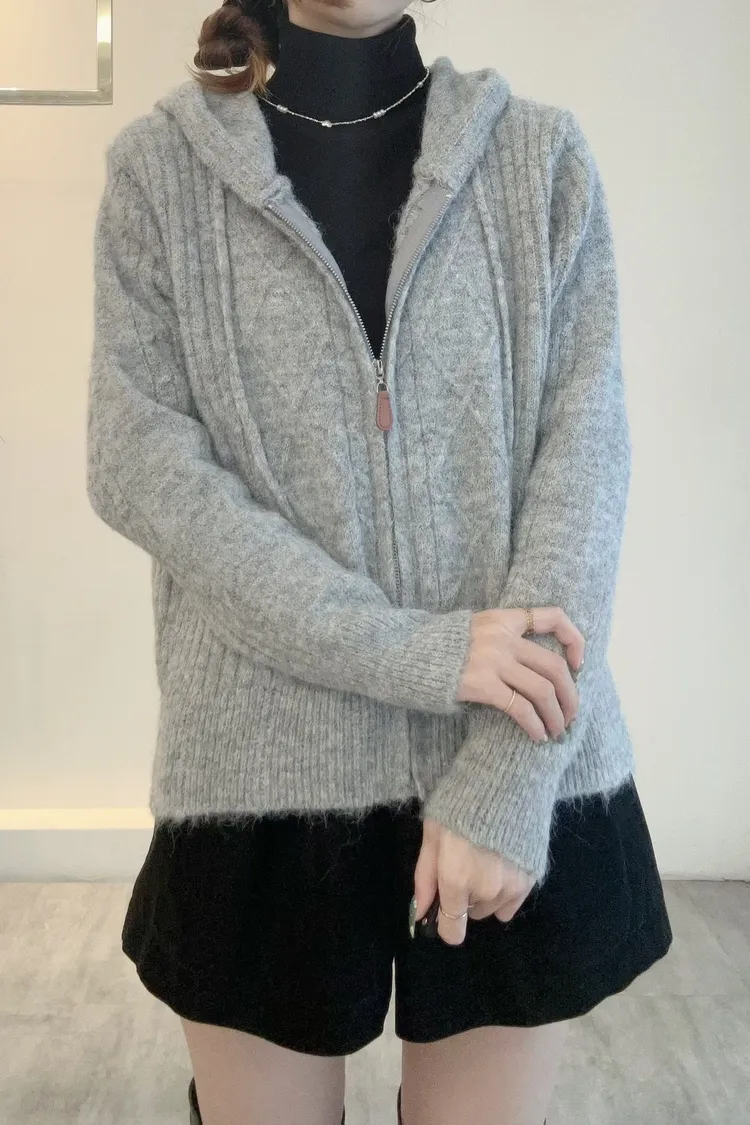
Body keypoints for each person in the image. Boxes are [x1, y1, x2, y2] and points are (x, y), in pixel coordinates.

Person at [86, 1, 673, 1122]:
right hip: (258, 777)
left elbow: (586, 461)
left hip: (510, 753)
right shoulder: (160, 174)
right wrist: (418, 652)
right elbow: (138, 466)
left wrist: (509, 776)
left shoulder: (540, 159)